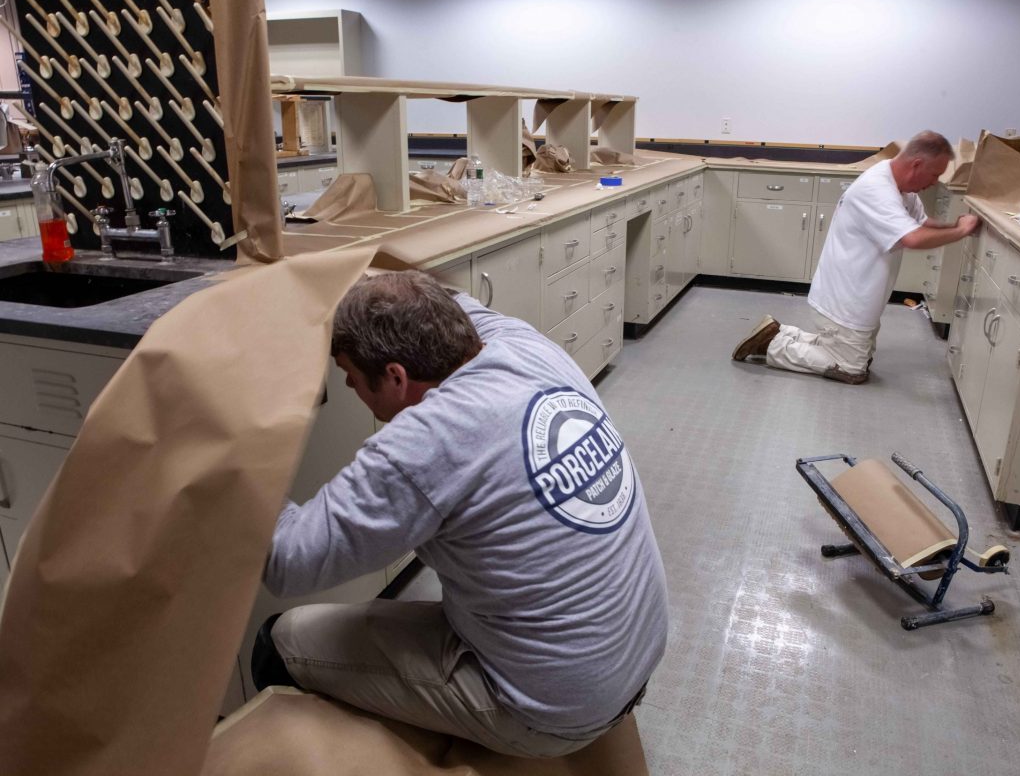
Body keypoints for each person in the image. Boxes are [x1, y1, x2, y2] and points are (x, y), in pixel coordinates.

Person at [254, 270, 669, 759]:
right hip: (636, 650)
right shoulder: (523, 345)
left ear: (396, 378)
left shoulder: (424, 442)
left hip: (551, 707)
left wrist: (236, 446)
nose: (347, 383)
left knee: (279, 642)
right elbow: (450, 298)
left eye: (350, 375)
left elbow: (285, 559)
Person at [732, 131, 981, 384]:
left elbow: (922, 223)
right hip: (845, 301)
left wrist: (954, 224)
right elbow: (913, 238)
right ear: (916, 165)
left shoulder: (903, 188)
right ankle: (772, 345)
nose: (935, 182)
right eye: (935, 174)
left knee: (853, 354)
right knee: (851, 370)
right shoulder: (876, 189)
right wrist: (961, 232)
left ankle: (781, 332)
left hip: (862, 297)